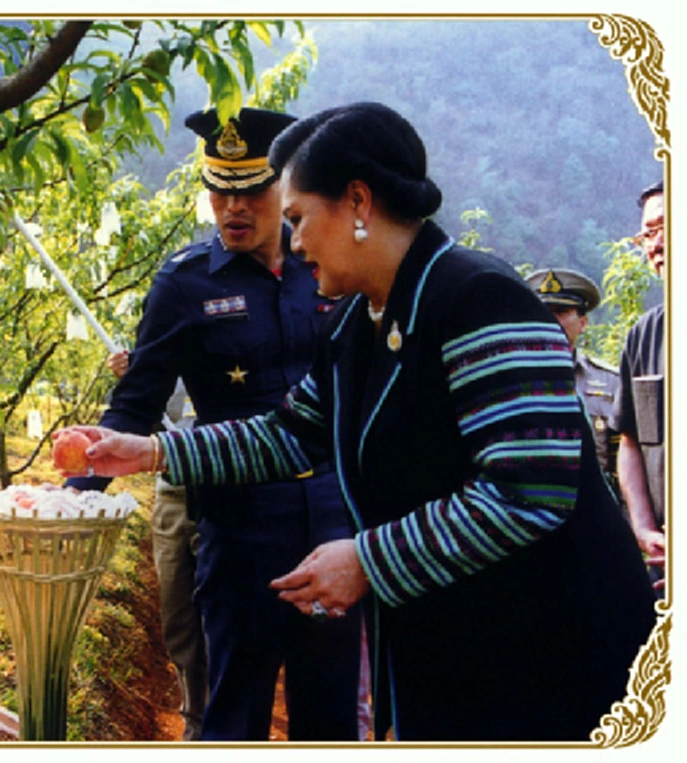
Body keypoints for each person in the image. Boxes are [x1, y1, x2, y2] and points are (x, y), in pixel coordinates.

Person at [58, 102, 656, 741]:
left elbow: (529, 492)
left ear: (358, 203)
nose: (295, 243)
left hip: (550, 649)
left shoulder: (479, 297)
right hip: (461, 641)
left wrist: (370, 559)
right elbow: (290, 434)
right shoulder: (357, 322)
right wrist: (150, 452)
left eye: (298, 218)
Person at [66, 107, 361, 742]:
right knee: (234, 714)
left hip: (337, 525)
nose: (234, 208)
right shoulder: (184, 284)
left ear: (284, 187)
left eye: (252, 191)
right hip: (239, 530)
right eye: (220, 192)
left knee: (331, 717)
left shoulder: (329, 267)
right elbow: (136, 402)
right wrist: (72, 499)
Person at [104, 350, 208, 740]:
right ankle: (195, 720)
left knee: (222, 615)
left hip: (225, 495)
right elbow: (142, 423)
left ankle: (227, 722)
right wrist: (132, 381)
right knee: (180, 618)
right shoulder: (163, 355)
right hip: (173, 496)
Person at [610, 181, 666, 591]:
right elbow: (629, 441)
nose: (656, 244)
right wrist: (644, 529)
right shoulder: (644, 335)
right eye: (648, 234)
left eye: (666, 228)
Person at [524, 268, 622, 497]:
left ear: (583, 323)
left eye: (561, 312)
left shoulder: (611, 383)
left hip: (597, 508)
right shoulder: (510, 382)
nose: (551, 320)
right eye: (543, 311)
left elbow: (625, 466)